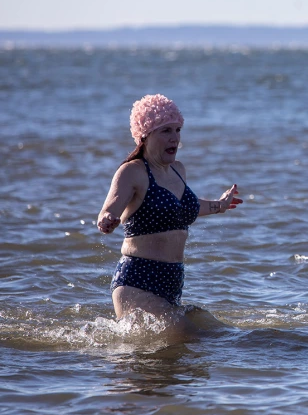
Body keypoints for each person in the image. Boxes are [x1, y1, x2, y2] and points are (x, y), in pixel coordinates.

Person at [97, 94, 242, 325]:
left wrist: (219, 205)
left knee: (177, 357)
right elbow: (109, 209)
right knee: (205, 334)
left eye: (177, 130)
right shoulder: (132, 172)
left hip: (171, 282)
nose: (174, 138)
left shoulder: (178, 170)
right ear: (144, 136)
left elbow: (182, 209)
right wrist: (107, 219)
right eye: (165, 131)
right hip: (137, 281)